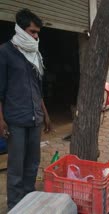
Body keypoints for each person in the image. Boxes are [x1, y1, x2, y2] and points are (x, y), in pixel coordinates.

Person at [0, 9, 51, 210]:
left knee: (32, 165)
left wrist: (45, 114)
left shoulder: (35, 54)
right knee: (16, 167)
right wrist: (1, 120)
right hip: (16, 120)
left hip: (35, 119)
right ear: (21, 30)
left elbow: (38, 89)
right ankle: (14, 205)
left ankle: (28, 203)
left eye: (38, 32)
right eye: (33, 31)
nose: (36, 36)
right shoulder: (4, 53)